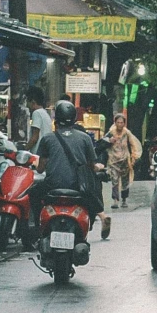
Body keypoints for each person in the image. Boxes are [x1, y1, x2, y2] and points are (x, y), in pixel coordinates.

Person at [36, 98, 105, 231]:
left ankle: (35, 229)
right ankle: (91, 223)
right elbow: (91, 165)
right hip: (77, 187)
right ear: (74, 119)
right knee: (93, 194)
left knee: (33, 193)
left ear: (56, 119)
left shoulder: (47, 138)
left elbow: (40, 169)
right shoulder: (85, 138)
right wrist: (99, 168)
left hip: (52, 186)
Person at [106, 111, 142, 207]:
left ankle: (124, 199)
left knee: (125, 181)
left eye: (122, 122)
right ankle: (115, 200)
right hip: (113, 160)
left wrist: (134, 157)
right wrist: (109, 141)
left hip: (125, 160)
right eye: (118, 122)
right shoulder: (111, 132)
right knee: (114, 180)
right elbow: (103, 143)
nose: (120, 124)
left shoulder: (127, 133)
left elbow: (133, 145)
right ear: (115, 122)